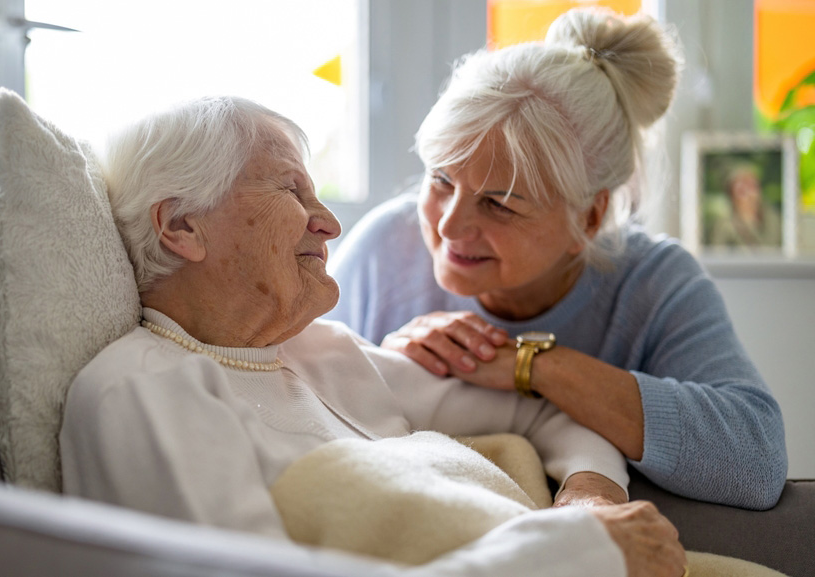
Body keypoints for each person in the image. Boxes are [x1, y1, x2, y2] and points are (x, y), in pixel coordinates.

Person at [59, 94, 686, 577]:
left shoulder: (325, 351)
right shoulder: (142, 390)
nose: (329, 224)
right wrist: (577, 553)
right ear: (182, 226)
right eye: (291, 190)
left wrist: (590, 499)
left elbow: (548, 414)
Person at [325, 8, 787, 510]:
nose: (449, 226)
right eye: (440, 179)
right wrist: (384, 368)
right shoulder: (383, 252)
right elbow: (293, 407)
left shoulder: (654, 283)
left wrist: (533, 366)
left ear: (589, 218)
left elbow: (756, 462)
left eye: (498, 204)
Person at [708, 161, 782, 248]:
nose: (748, 191)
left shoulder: (775, 219)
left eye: (751, 184)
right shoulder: (724, 227)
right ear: (731, 193)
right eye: (741, 187)